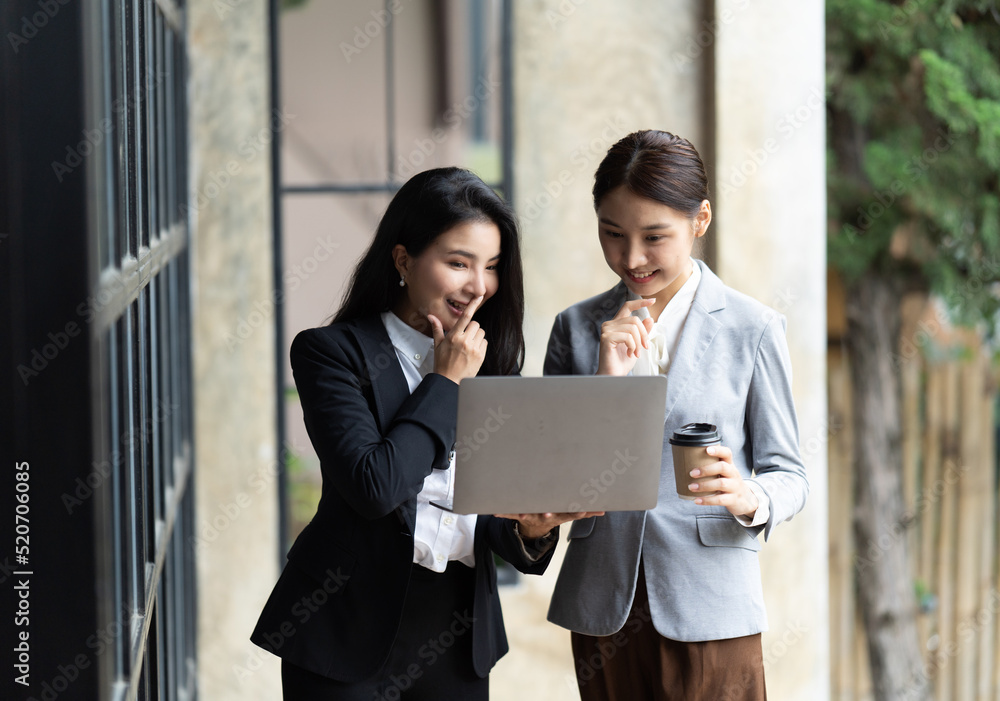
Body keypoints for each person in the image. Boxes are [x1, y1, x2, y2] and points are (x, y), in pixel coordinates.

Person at [252, 167, 596, 700]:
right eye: (458, 262)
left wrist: (532, 529)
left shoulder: (496, 366)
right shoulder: (331, 353)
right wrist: (446, 380)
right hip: (343, 632)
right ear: (403, 259)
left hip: (457, 636)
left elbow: (493, 520)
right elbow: (375, 486)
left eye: (492, 267)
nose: (477, 286)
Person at [543, 130, 810, 700]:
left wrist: (748, 497)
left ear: (701, 220)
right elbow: (555, 474)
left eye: (653, 237)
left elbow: (791, 475)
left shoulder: (752, 328)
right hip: (603, 604)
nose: (631, 258)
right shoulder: (575, 328)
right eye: (612, 235)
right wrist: (607, 376)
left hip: (711, 604)